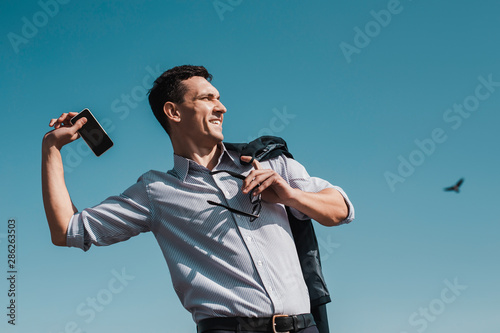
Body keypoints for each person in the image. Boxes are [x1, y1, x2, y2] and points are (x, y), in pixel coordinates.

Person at [41, 65, 355, 333]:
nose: (222, 108)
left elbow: (340, 209)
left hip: (303, 326)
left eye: (219, 98)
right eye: (208, 99)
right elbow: (67, 230)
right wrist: (51, 150)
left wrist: (292, 196)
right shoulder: (155, 191)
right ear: (173, 111)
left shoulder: (268, 161)